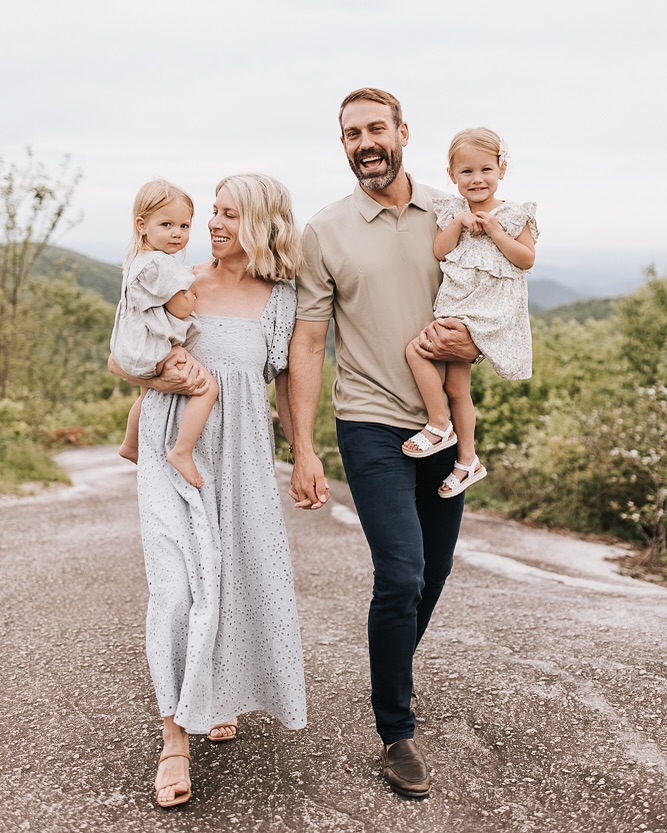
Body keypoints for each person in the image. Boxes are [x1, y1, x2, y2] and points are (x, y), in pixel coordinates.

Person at [288, 88, 481, 799]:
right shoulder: (324, 230)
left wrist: (477, 345)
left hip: (443, 421)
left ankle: (389, 665)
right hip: (369, 421)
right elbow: (309, 339)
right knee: (399, 574)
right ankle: (395, 728)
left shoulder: (449, 212)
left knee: (435, 570)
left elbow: (486, 301)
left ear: (402, 132)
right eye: (349, 133)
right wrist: (303, 447)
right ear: (341, 144)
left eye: (375, 129)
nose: (363, 142)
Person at [109, 173, 307, 808]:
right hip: (175, 450)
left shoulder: (281, 298)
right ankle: (174, 736)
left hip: (246, 455)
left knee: (236, 577)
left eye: (229, 215)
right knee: (177, 586)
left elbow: (285, 380)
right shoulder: (175, 278)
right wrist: (161, 384)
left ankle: (217, 695)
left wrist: (305, 453)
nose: (215, 225)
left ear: (262, 226)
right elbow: (121, 356)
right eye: (212, 213)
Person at [402, 128, 538, 498]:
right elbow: (440, 251)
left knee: (416, 350)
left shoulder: (513, 215)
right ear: (452, 176)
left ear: (501, 170)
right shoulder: (453, 211)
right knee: (456, 387)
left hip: (486, 312)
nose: (476, 179)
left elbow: (525, 260)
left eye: (485, 170)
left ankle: (439, 424)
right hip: (459, 306)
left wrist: (494, 230)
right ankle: (467, 460)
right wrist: (459, 224)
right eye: (466, 172)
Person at [111, 179, 218, 488]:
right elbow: (182, 307)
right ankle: (182, 451)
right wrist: (194, 289)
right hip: (153, 348)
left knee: (146, 394)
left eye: (184, 226)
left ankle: (130, 444)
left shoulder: (136, 260)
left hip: (131, 347)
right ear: (142, 225)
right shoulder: (159, 263)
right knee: (207, 388)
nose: (177, 233)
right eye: (167, 224)